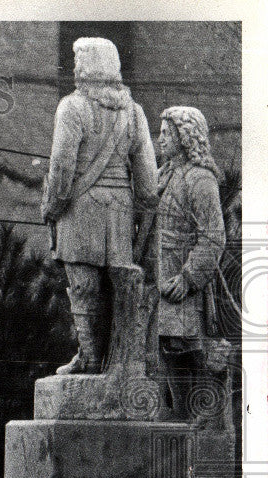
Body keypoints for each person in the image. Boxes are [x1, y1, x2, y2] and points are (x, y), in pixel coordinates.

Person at [41, 37, 159, 374]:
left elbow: (61, 168)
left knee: (83, 285)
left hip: (79, 207)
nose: (75, 67)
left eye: (79, 60)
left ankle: (90, 357)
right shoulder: (134, 113)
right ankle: (115, 362)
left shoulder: (71, 107)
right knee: (115, 287)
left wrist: (52, 207)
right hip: (120, 208)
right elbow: (148, 184)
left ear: (90, 66)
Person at [151, 106, 227, 422]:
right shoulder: (164, 175)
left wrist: (188, 278)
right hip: (159, 289)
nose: (160, 139)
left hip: (185, 294)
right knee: (166, 360)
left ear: (185, 136)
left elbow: (213, 236)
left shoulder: (201, 179)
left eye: (167, 133)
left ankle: (196, 437)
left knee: (187, 360)